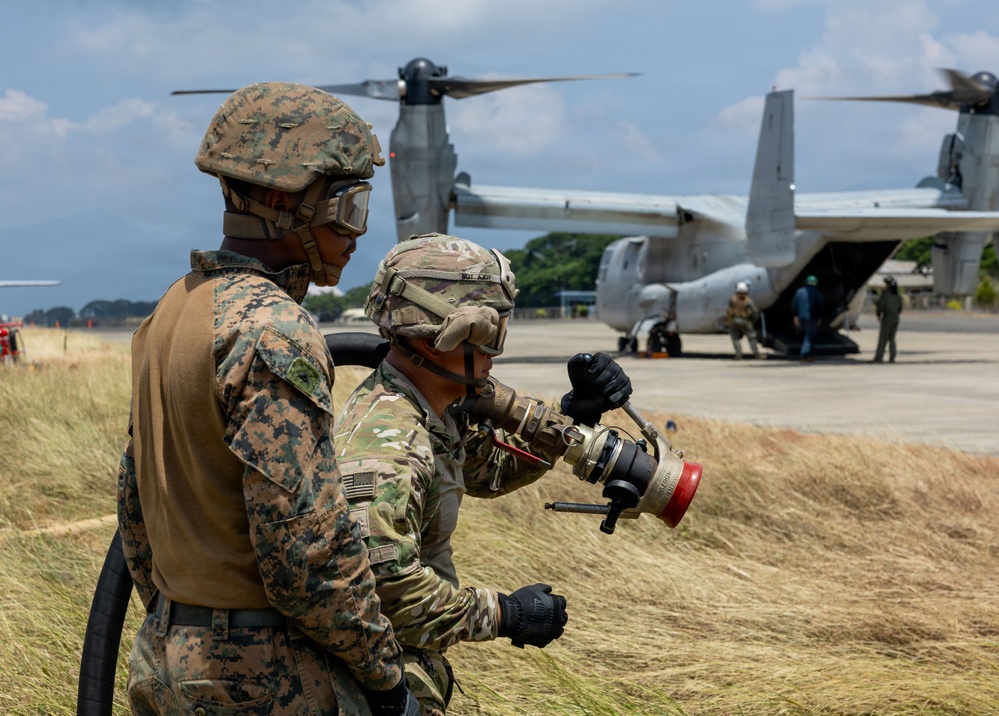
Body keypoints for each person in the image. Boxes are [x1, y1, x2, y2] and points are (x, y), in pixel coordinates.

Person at [116, 82, 418, 716]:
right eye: (348, 206)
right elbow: (305, 553)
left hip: (164, 661)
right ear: (284, 200)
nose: (357, 233)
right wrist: (386, 677)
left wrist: (184, 624)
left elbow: (136, 516)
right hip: (260, 678)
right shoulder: (272, 328)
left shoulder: (172, 311)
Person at [332, 233, 632, 716]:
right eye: (492, 329)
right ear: (452, 331)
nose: (497, 349)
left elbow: (490, 472)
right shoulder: (388, 446)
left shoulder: (429, 410)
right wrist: (505, 614)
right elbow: (385, 596)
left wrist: (574, 416)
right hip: (374, 679)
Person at [726, 281, 763, 360]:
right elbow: (754, 312)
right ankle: (756, 355)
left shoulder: (732, 299)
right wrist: (753, 320)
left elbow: (729, 310)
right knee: (752, 338)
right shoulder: (748, 301)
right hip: (745, 322)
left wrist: (729, 321)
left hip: (734, 322)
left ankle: (738, 355)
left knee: (735, 339)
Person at [792, 274, 824, 362]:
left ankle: (809, 354)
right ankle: (804, 354)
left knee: (805, 335)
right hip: (812, 318)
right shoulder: (817, 293)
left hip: (801, 317)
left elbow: (795, 305)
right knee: (809, 336)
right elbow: (820, 305)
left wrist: (795, 316)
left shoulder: (799, 292)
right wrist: (819, 317)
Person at [871, 275, 903, 363]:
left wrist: (878, 314)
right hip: (895, 318)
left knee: (883, 338)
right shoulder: (898, 296)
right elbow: (900, 308)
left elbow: (880, 305)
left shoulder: (885, 295)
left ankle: (879, 358)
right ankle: (892, 357)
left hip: (887, 317)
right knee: (892, 339)